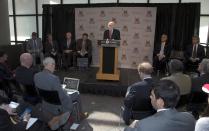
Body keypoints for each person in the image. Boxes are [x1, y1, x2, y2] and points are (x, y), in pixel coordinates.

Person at [124, 80, 195, 131]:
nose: (150, 97)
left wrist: (131, 126)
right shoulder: (190, 118)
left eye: (152, 95)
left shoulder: (143, 125)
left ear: (161, 102)